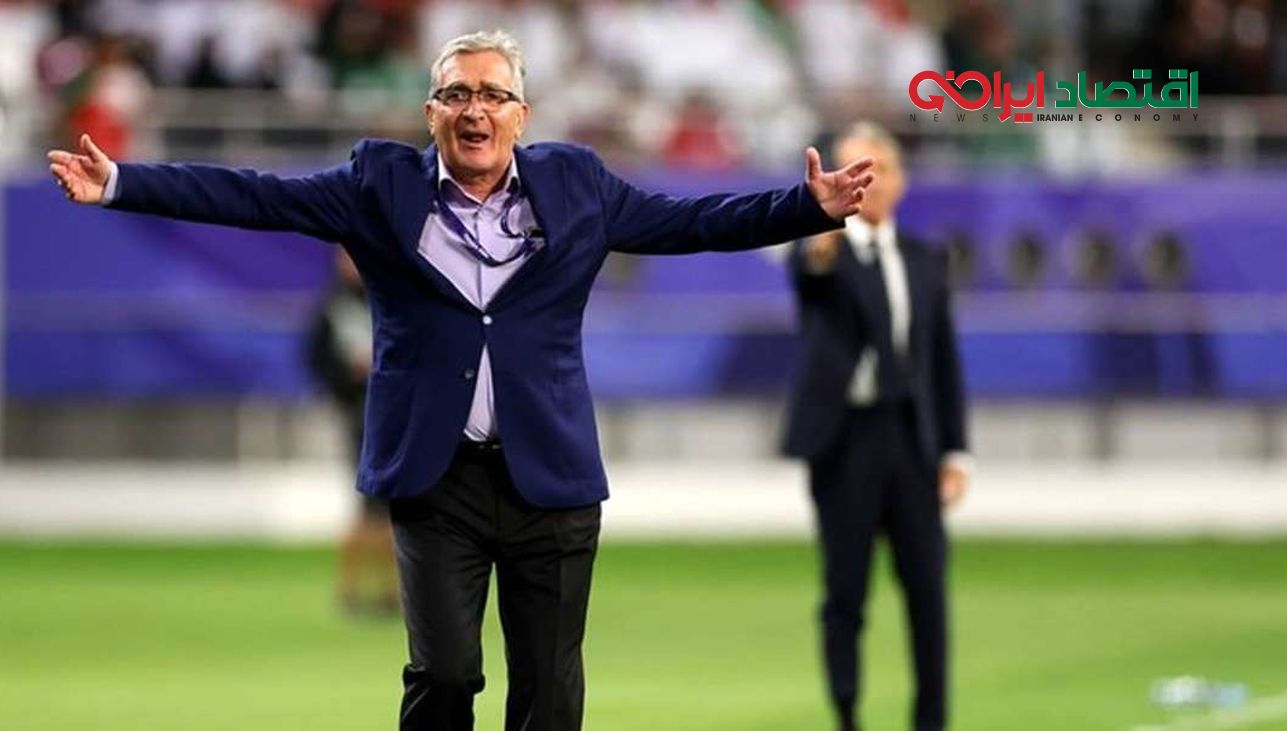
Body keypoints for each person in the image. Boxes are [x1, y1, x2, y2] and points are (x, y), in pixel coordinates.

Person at [48, 29, 874, 731]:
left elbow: (692, 221)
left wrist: (807, 207)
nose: (475, 109)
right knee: (444, 675)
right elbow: (253, 196)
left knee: (550, 691)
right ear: (431, 111)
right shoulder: (378, 184)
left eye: (492, 94)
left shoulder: (577, 183)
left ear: (522, 113)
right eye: (456, 94)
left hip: (549, 475)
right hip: (436, 475)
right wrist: (120, 182)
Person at [781, 121, 972, 731]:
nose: (866, 181)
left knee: (928, 590)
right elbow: (808, 276)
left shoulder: (924, 258)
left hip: (911, 437)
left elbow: (941, 359)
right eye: (853, 169)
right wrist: (819, 227)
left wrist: (955, 451)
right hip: (845, 440)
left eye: (876, 168)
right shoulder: (825, 251)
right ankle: (847, 714)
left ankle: (931, 720)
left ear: (898, 180)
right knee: (845, 593)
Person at [306, 249, 398, 616]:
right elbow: (318, 361)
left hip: (391, 414)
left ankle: (381, 590)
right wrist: (349, 379)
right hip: (360, 414)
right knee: (373, 507)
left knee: (381, 508)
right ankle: (361, 589)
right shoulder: (334, 309)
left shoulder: (386, 299)